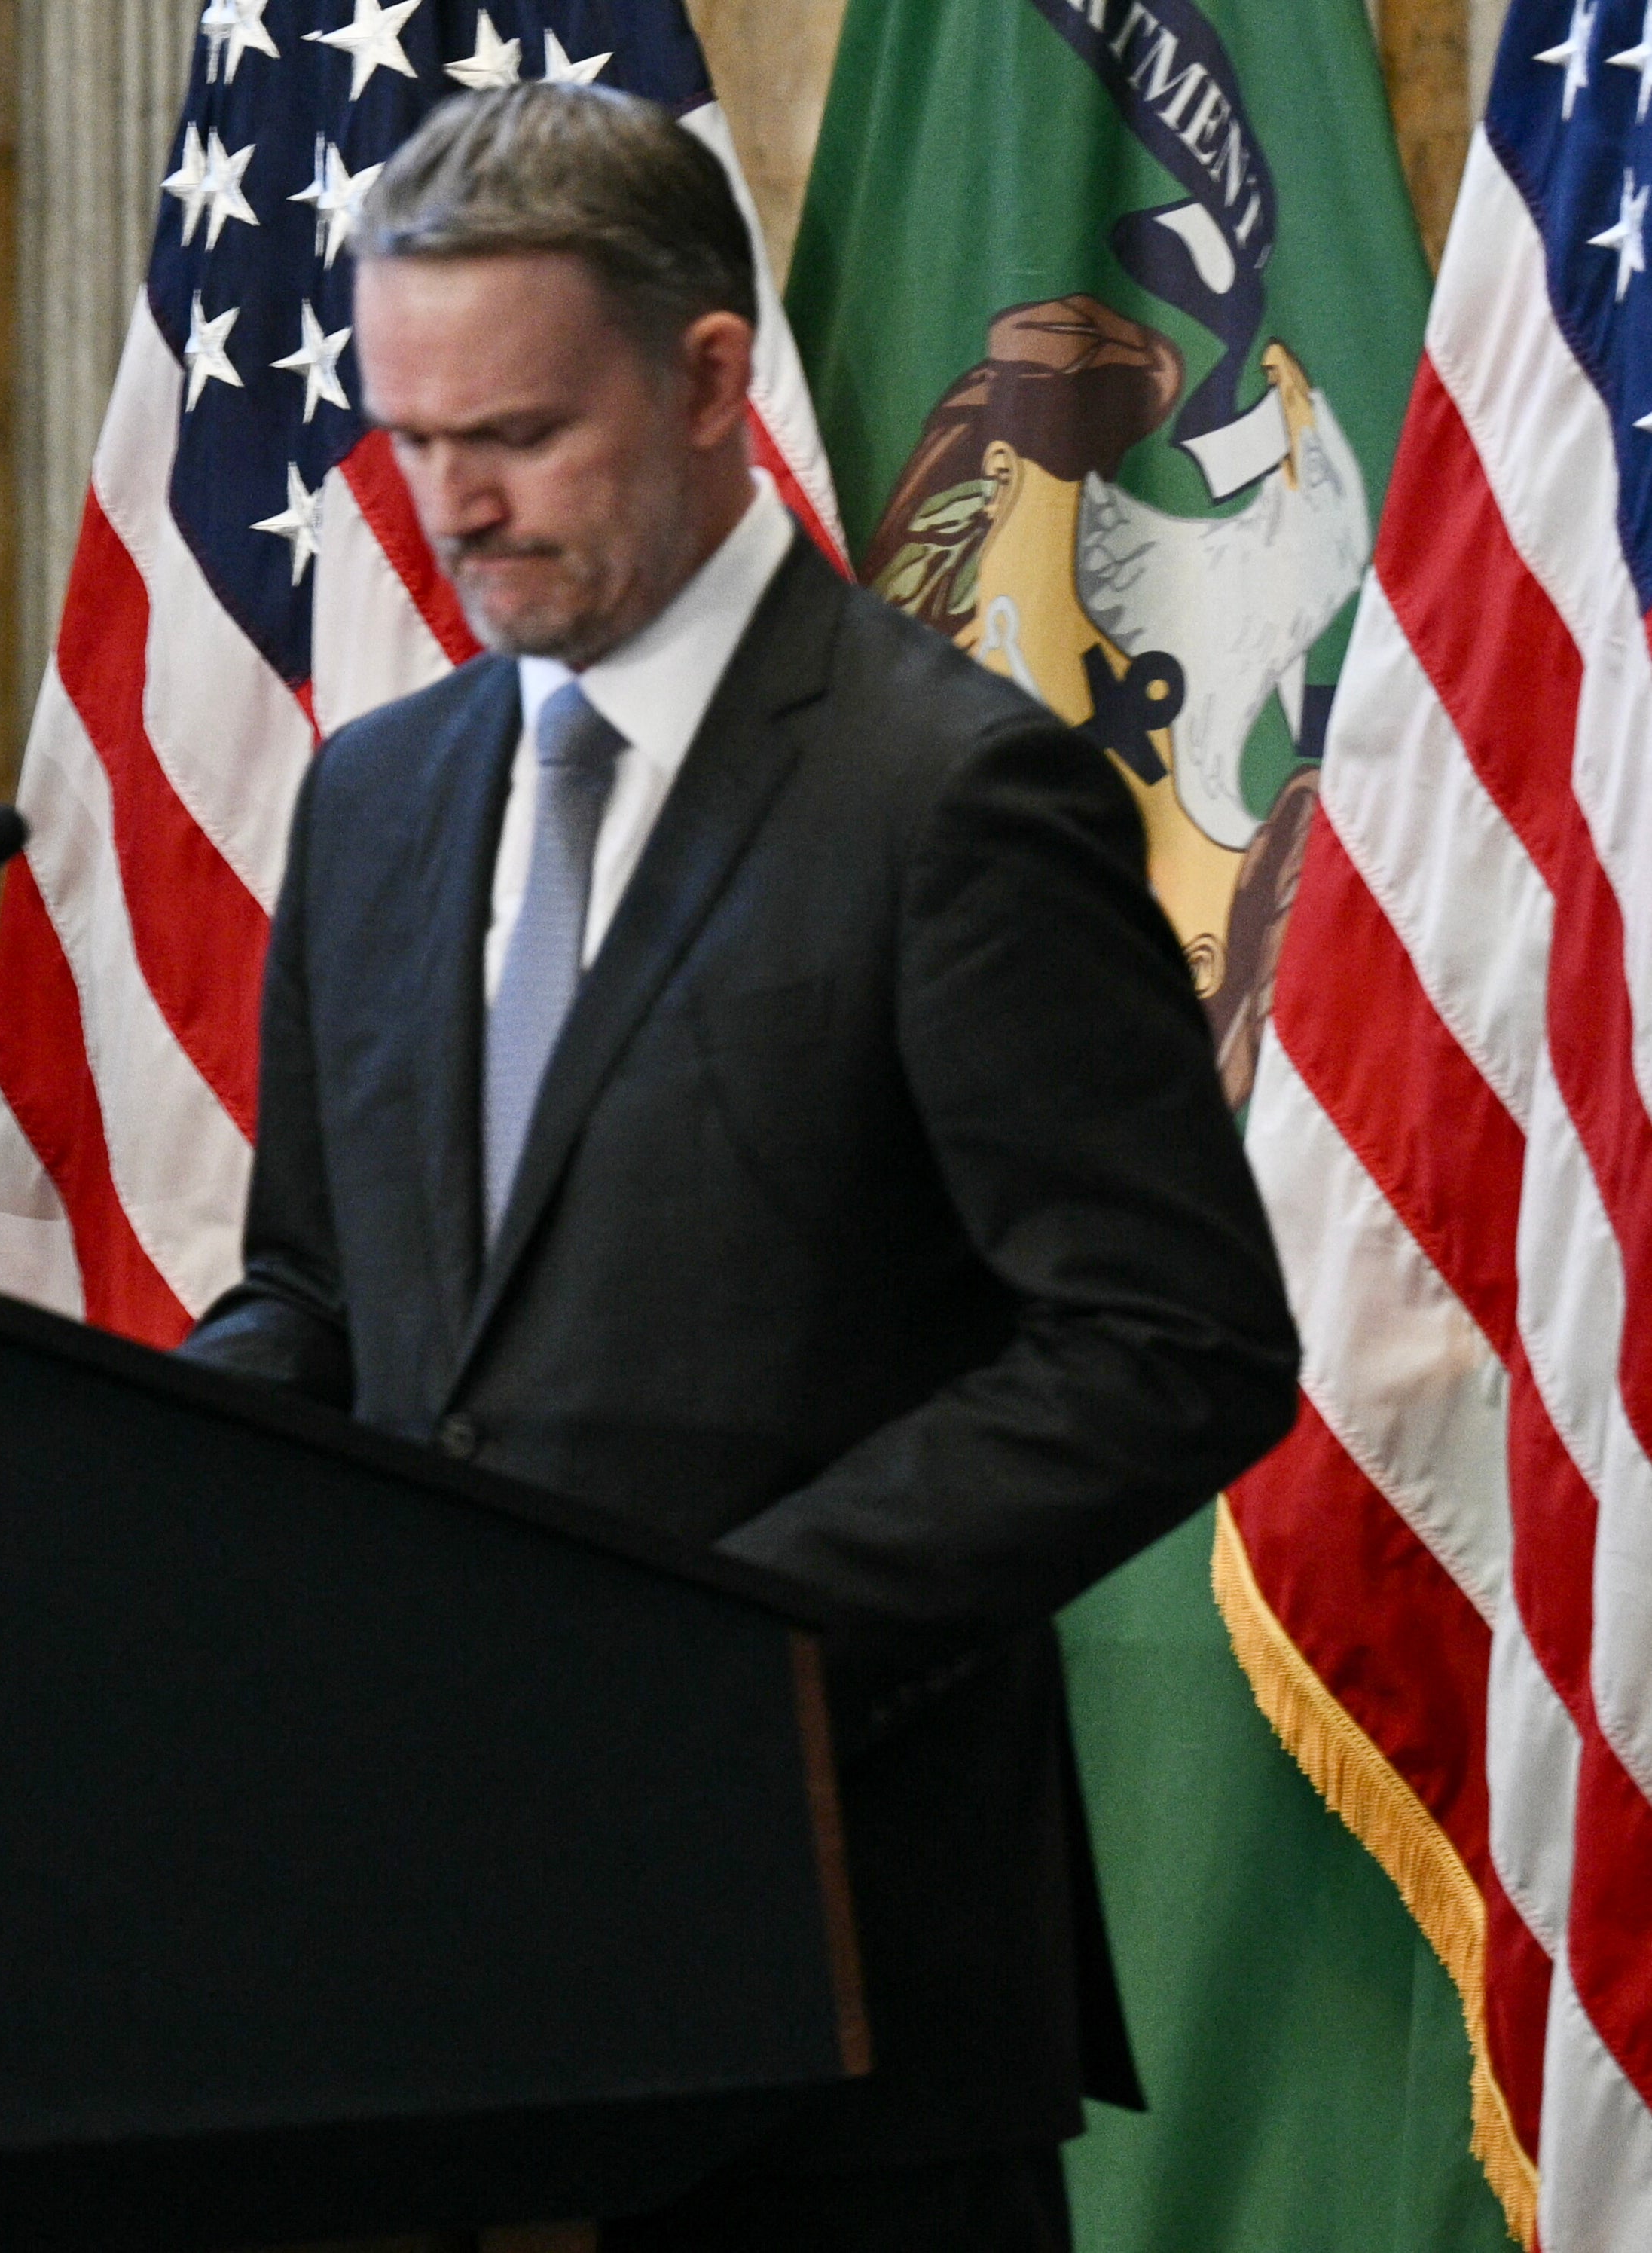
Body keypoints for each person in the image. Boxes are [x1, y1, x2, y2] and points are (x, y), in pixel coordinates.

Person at [178, 85, 1299, 2253]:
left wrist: (716, 1660)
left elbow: (1168, 1344)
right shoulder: (378, 796)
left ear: (707, 380)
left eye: (517, 435)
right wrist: (130, 1478)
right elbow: (319, 1293)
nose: (453, 506)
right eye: (412, 441)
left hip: (838, 2000)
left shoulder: (952, 793)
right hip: (430, 1980)